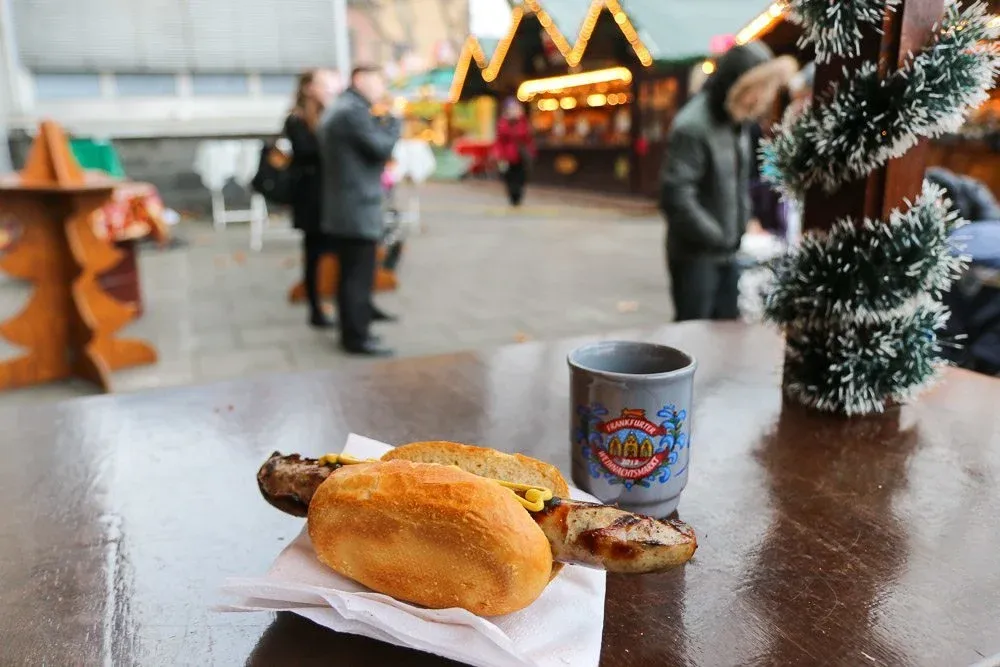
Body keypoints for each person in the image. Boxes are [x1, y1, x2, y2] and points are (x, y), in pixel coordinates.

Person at [660, 43, 798, 321]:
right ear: (735, 85)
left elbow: (739, 182)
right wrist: (718, 234)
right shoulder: (693, 126)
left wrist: (744, 220)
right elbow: (676, 195)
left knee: (726, 328)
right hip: (696, 255)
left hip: (728, 250)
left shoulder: (738, 123)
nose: (762, 98)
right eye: (757, 89)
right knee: (694, 332)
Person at [319, 65, 401, 357]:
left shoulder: (343, 108)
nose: (382, 88)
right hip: (356, 207)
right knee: (357, 274)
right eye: (379, 81)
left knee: (352, 273)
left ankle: (357, 325)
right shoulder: (352, 112)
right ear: (360, 80)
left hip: (346, 205)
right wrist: (393, 123)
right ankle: (356, 336)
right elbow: (381, 148)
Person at [284, 69, 339, 328]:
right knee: (314, 253)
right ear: (308, 88)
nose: (328, 88)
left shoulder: (330, 115)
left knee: (339, 251)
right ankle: (316, 309)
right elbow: (308, 151)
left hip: (333, 194)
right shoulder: (296, 120)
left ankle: (341, 302)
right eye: (322, 84)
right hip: (312, 197)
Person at [495, 99, 535, 206]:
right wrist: (499, 155)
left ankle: (518, 195)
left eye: (516, 109)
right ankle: (513, 195)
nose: (514, 111)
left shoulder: (523, 122)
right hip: (507, 155)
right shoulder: (503, 123)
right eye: (512, 109)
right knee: (509, 176)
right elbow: (499, 141)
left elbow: (528, 139)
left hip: (522, 155)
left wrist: (531, 152)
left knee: (521, 176)